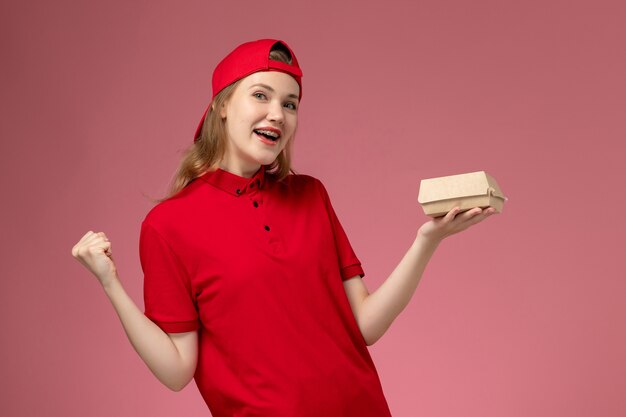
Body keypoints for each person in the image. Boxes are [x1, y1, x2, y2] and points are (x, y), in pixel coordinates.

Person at [71, 39, 497, 416]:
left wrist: (428, 241)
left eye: (290, 103)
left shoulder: (311, 195)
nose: (277, 114)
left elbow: (364, 326)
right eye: (261, 95)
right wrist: (111, 284)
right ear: (221, 105)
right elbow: (177, 370)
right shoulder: (168, 226)